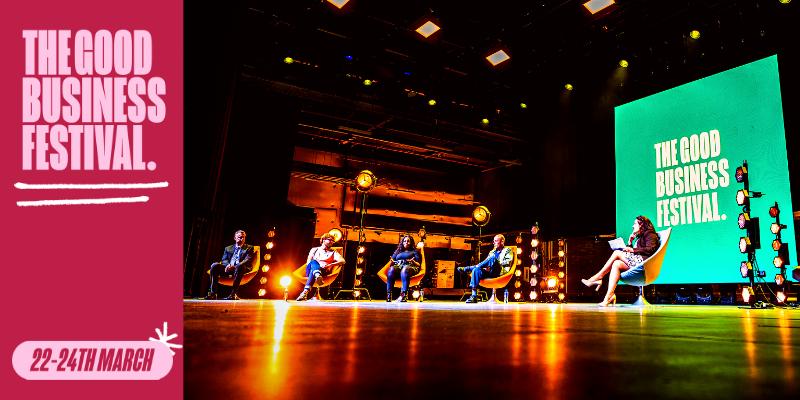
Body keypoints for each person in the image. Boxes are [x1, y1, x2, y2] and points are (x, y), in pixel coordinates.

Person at [582, 216, 660, 307]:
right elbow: (632, 253)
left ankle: (598, 277)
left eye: (635, 224)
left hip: (644, 263)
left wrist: (632, 250)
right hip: (637, 261)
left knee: (617, 253)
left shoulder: (649, 233)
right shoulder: (639, 236)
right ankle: (609, 295)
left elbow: (650, 249)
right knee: (616, 264)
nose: (632, 226)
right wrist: (630, 242)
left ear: (641, 224)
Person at [457, 234, 513, 303]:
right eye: (493, 241)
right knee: (476, 270)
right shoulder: (492, 252)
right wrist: (487, 267)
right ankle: (474, 296)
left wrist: (494, 263)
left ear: (502, 242)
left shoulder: (507, 250)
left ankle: (468, 268)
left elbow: (508, 262)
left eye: (496, 241)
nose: (493, 243)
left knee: (492, 258)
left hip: (500, 272)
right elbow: (486, 263)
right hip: (490, 272)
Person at [205, 230, 256, 300]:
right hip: (228, 268)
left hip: (241, 268)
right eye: (239, 237)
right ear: (235, 238)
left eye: (243, 238)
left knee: (239, 266)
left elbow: (248, 260)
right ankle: (213, 293)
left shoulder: (249, 248)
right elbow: (224, 260)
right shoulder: (228, 248)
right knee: (214, 266)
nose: (241, 239)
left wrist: (235, 266)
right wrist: (228, 266)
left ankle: (233, 293)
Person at [296, 233, 346, 301]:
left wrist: (329, 265)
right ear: (324, 240)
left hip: (323, 271)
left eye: (333, 241)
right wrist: (317, 266)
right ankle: (317, 275)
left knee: (314, 271)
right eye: (330, 240)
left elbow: (343, 261)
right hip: (311, 268)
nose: (332, 242)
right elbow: (309, 261)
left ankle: (305, 293)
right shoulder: (314, 249)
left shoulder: (333, 252)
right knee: (314, 262)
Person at [386, 235, 422, 302]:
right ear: (402, 242)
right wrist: (391, 262)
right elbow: (392, 262)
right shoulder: (398, 251)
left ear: (411, 242)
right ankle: (389, 295)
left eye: (408, 241)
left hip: (411, 266)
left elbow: (418, 264)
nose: (406, 242)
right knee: (391, 269)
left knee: (405, 269)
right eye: (404, 241)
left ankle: (405, 295)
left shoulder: (415, 251)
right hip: (399, 266)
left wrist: (413, 261)